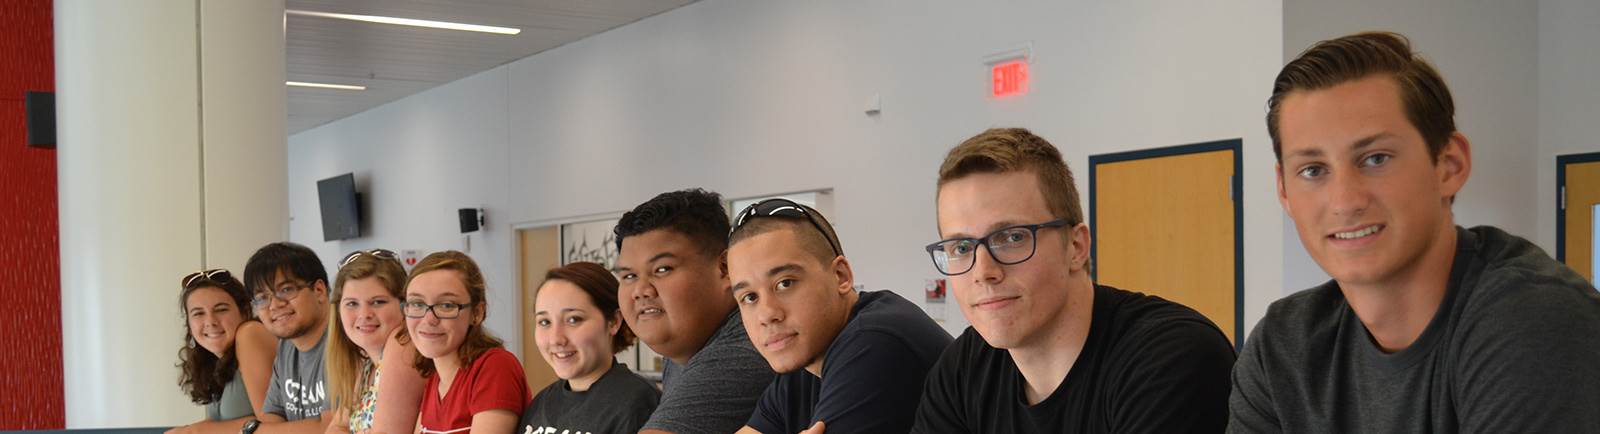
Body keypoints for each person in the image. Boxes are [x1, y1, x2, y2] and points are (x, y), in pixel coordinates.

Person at [1228, 31, 1600, 433]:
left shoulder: (1534, 319)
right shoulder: (1282, 346)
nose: (1345, 201)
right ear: (1284, 190)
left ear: (1450, 165)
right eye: (1313, 170)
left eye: (1375, 158)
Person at [912, 128, 1235, 433]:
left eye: (1012, 237)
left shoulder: (1170, 358)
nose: (983, 271)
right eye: (961, 247)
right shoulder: (963, 369)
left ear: (1076, 247)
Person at [727, 199, 952, 434]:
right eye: (749, 297)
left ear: (840, 276)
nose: (767, 314)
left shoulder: (874, 341)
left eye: (785, 283)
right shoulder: (801, 365)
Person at [612, 189, 775, 434]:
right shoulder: (685, 345)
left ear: (725, 268)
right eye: (629, 276)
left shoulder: (745, 349)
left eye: (662, 269)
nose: (640, 290)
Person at [518, 262, 661, 434]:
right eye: (544, 322)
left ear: (614, 322)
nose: (556, 339)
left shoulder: (638, 403)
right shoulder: (541, 404)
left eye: (573, 319)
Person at [405, 250, 530, 434]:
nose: (429, 319)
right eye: (417, 304)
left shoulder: (495, 366)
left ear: (477, 313)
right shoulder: (434, 380)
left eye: (446, 305)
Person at [322, 249, 424, 434]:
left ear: (405, 305)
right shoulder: (367, 363)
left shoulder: (403, 344)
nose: (364, 314)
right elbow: (336, 427)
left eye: (378, 302)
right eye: (352, 304)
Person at [168, 269, 277, 434]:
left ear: (245, 311)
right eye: (198, 313)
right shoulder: (219, 359)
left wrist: (196, 431)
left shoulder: (250, 334)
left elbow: (273, 425)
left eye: (221, 310)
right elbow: (222, 424)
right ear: (189, 324)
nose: (210, 321)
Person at [242, 242, 336, 433]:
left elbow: (330, 427)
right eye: (262, 298)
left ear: (319, 290)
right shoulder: (287, 345)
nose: (274, 305)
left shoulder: (345, 339)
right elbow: (271, 418)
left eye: (286, 290)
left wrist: (256, 431)